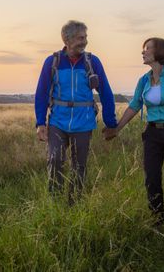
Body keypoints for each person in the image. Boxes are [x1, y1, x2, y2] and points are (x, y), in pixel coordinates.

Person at [103, 37, 164, 230]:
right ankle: (158, 217)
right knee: (151, 179)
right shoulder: (144, 80)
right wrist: (117, 129)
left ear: (160, 51)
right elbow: (134, 106)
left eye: (147, 49)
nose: (143, 52)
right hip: (152, 133)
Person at [35, 20, 118, 205]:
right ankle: (54, 203)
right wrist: (40, 122)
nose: (85, 41)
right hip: (58, 122)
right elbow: (41, 93)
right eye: (81, 38)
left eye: (86, 37)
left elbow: (105, 92)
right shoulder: (53, 62)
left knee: (79, 166)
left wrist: (111, 123)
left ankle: (74, 204)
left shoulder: (92, 61)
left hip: (84, 122)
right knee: (55, 160)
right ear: (67, 39)